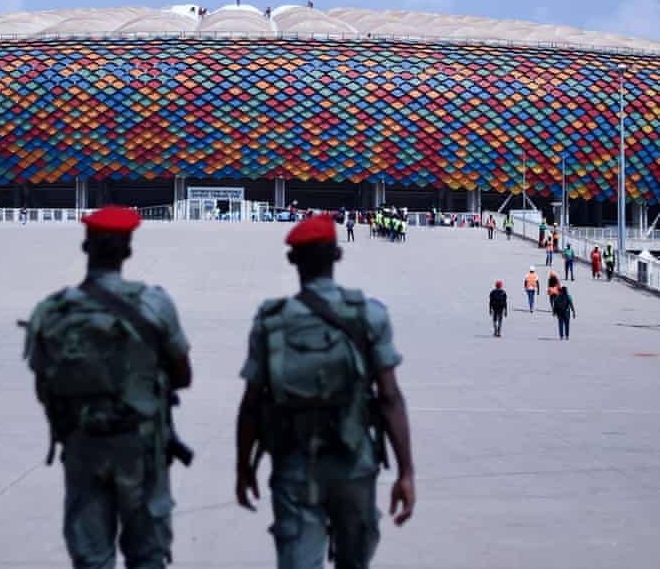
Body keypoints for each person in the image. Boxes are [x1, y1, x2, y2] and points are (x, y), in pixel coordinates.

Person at [235, 214, 415, 569]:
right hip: (353, 460)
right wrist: (406, 472)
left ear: (292, 260)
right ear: (337, 255)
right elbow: (390, 398)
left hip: (294, 462)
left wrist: (244, 467)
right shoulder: (368, 315)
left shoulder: (271, 321)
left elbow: (251, 404)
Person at [21, 206, 193, 569]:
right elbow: (183, 375)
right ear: (128, 250)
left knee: (91, 558)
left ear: (86, 248)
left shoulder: (54, 311)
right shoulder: (154, 304)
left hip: (83, 446)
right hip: (140, 446)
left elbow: (43, 385)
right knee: (147, 555)